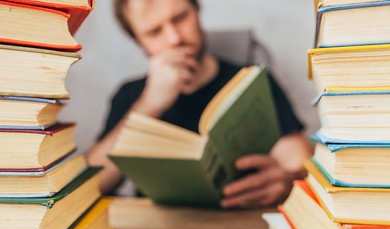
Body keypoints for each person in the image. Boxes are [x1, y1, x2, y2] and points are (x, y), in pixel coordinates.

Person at [87, 0, 312, 208]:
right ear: (140, 42)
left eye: (179, 18)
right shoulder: (130, 95)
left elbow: (302, 168)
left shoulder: (252, 81)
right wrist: (149, 104)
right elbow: (91, 186)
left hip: (238, 223)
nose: (174, 38)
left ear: (196, 10)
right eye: (154, 32)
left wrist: (285, 182)